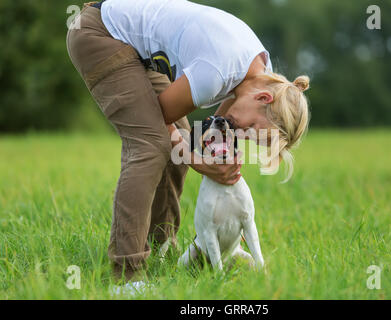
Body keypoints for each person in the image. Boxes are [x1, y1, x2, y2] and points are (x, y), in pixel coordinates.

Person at [67, 0, 310, 282]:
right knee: (152, 145)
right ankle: (127, 276)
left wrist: (198, 155)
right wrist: (200, 164)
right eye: (252, 129)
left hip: (136, 50)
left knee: (179, 143)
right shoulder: (215, 72)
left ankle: (161, 251)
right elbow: (162, 118)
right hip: (99, 33)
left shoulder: (257, 70)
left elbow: (195, 137)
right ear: (263, 99)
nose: (241, 135)